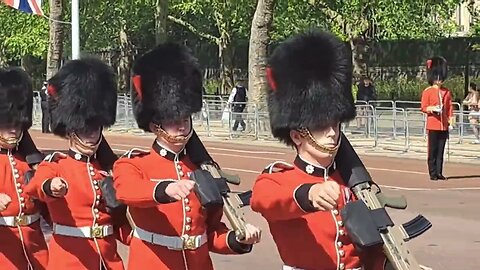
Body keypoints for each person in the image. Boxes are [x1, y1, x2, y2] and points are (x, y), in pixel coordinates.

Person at [113, 42, 261, 270]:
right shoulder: (133, 164)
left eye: (185, 119)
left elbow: (210, 233)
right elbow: (127, 191)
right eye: (173, 120)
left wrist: (238, 239)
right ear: (155, 125)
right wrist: (164, 189)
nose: (181, 126)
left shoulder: (204, 167)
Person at [250, 30, 387, 270]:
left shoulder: (353, 182)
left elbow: (371, 251)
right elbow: (264, 200)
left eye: (335, 124)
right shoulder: (278, 179)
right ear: (297, 135)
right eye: (322, 126)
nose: (333, 132)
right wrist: (309, 194)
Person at [25, 57, 129, 270]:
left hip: (108, 260)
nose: (91, 135)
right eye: (84, 129)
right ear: (71, 130)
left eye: (95, 128)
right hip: (71, 260)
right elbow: (37, 185)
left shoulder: (106, 168)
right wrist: (51, 187)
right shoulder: (57, 164)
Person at [0, 67, 49, 269]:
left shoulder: (27, 160)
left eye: (18, 123)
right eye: (6, 123)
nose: (13, 129)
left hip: (36, 246)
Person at [420, 56, 454, 181]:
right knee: (432, 150)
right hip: (433, 124)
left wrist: (451, 122)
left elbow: (450, 108)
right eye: (437, 78)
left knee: (441, 151)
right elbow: (423, 107)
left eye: (441, 78)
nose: (439, 80)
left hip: (443, 125)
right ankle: (432, 172)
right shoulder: (427, 91)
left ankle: (439, 172)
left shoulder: (446, 92)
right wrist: (432, 109)